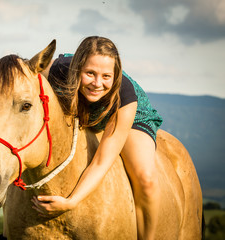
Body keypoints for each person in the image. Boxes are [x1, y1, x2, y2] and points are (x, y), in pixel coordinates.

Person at [31, 36, 163, 240]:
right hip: (78, 106)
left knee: (146, 177)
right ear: (77, 69)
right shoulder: (55, 72)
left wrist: (71, 202)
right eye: (90, 73)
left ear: (115, 76)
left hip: (123, 113)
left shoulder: (126, 96)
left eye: (106, 76)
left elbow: (102, 161)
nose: (97, 83)